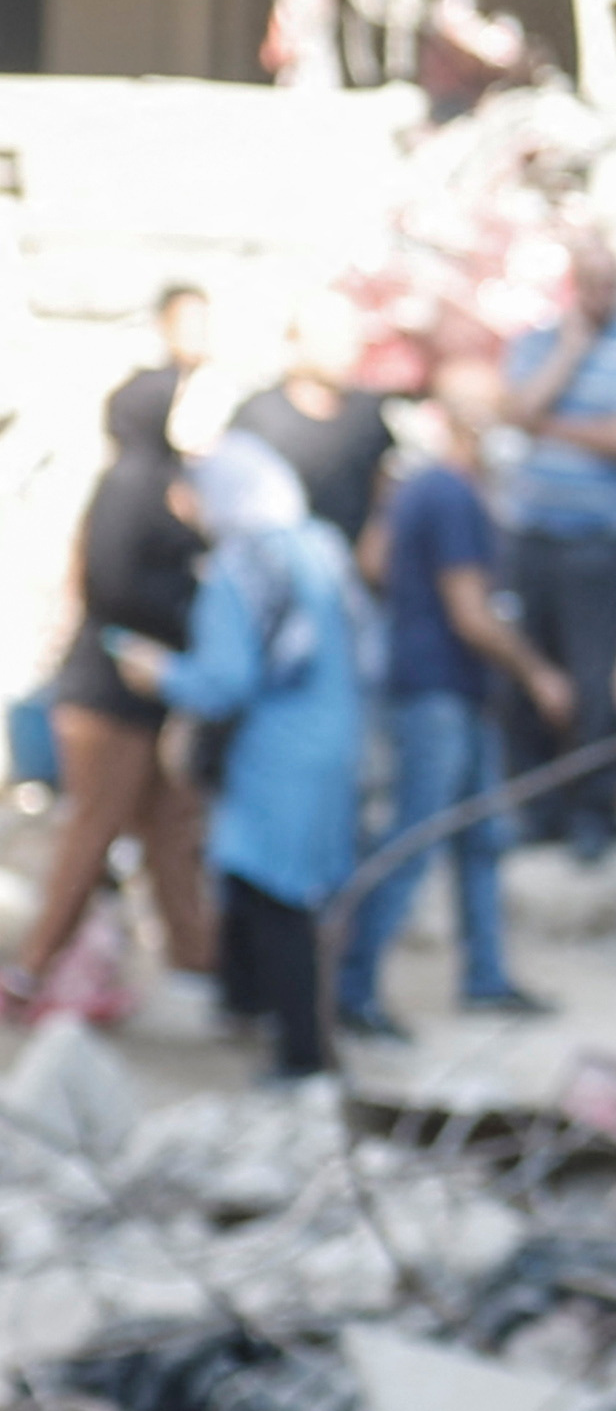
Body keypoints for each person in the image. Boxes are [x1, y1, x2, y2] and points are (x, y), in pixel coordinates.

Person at [344, 354, 569, 1033]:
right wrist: (538, 672)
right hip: (439, 689)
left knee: (480, 839)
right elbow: (473, 614)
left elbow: (373, 561)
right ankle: (353, 987)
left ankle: (486, 975)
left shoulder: (418, 488)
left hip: (444, 687)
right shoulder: (453, 495)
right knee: (418, 837)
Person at [130, 436, 362, 1085]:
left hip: (276, 756)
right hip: (334, 742)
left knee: (273, 894)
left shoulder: (241, 568)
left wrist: (160, 673)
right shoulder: (321, 547)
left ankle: (300, 1055)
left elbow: (226, 680)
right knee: (296, 891)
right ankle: (253, 1008)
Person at [18, 371, 217, 1020]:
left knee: (169, 827)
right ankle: (31, 968)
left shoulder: (165, 485)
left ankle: (200, 967)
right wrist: (189, 605)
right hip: (109, 694)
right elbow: (113, 582)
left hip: (148, 695)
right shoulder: (131, 485)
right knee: (94, 828)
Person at [494, 242, 616, 850]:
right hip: (532, 535)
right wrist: (569, 356)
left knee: (598, 684)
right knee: (528, 678)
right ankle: (535, 810)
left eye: (610, 282)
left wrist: (547, 425)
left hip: (603, 543)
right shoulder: (541, 342)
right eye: (589, 282)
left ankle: (593, 812)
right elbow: (513, 409)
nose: (600, 294)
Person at [230, 300, 397, 561]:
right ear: (298, 342)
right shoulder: (260, 415)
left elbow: (384, 483)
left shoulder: (367, 411)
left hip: (356, 573)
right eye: (335, 338)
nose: (348, 349)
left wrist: (378, 536)